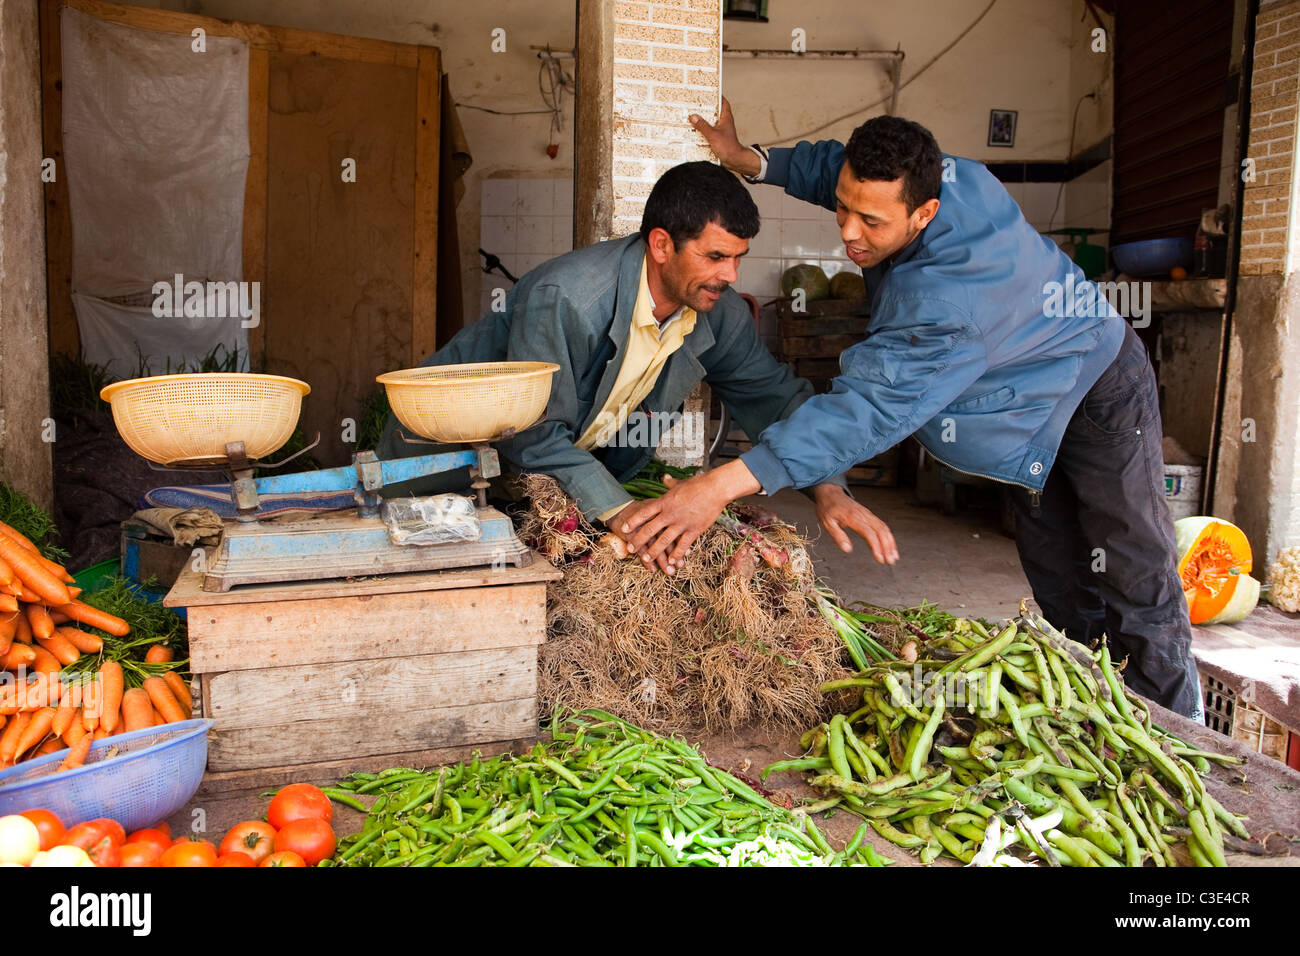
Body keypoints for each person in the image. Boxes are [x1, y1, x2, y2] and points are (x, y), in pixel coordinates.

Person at [618, 101, 1202, 719]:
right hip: (1022, 410)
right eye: (844, 208)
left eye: (870, 220)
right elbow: (833, 170)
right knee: (1062, 575)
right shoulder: (947, 177)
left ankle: (1179, 735)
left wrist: (716, 487)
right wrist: (754, 161)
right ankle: (1100, 716)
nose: (847, 231)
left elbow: (865, 409)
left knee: (1134, 569)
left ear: (925, 213)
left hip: (1094, 388)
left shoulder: (947, 305)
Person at [378, 160, 876, 542]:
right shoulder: (568, 299)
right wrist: (620, 511)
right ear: (661, 245)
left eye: (738, 259)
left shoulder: (714, 308)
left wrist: (828, 486)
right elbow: (530, 432)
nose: (731, 277)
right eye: (716, 257)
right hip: (444, 465)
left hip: (539, 486)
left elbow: (773, 397)